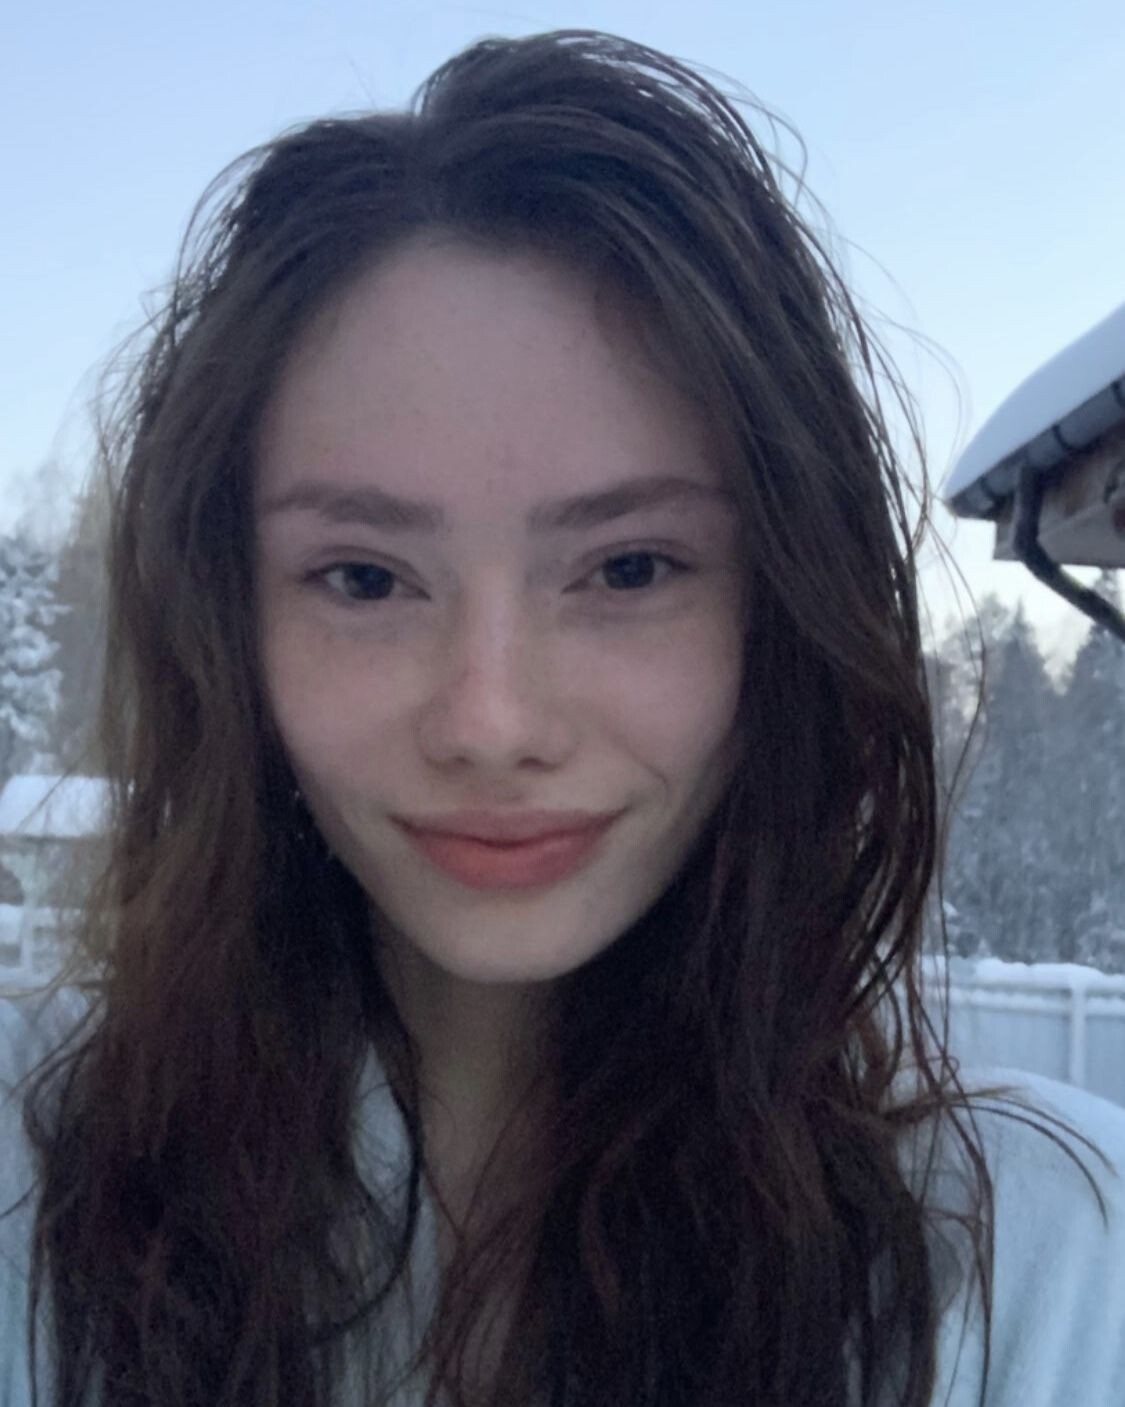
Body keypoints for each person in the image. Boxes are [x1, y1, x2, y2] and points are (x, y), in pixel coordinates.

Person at [2, 28, 1124, 1407]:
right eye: (364, 579)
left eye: (629, 569)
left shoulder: (1046, 1275)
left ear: (784, 604)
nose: (489, 721)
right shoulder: (33, 1189)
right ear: (228, 621)